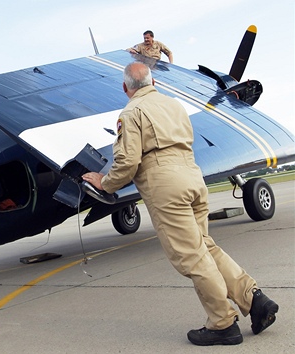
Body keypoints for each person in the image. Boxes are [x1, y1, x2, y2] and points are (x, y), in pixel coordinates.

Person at [82, 62, 278, 346]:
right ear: (154, 82)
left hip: (165, 184)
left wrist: (105, 183)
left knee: (192, 257)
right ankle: (254, 299)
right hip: (192, 176)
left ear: (126, 88)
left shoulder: (131, 112)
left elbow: (127, 163)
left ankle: (222, 324)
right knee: (205, 246)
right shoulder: (174, 105)